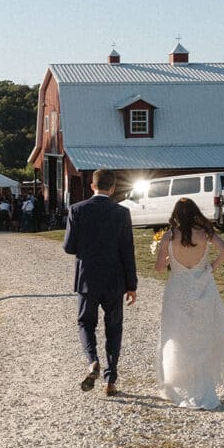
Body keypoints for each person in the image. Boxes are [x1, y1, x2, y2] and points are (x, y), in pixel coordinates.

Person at [153, 197, 224, 410]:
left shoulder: (170, 236)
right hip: (203, 286)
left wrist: (170, 259)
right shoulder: (205, 233)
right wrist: (212, 266)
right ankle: (202, 384)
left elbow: (160, 268)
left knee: (175, 335)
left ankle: (177, 382)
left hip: (177, 289)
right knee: (201, 336)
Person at [63, 169, 138, 396]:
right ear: (113, 188)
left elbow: (68, 247)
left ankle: (92, 361)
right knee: (114, 329)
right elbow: (128, 250)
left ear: (91, 186)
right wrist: (131, 284)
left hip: (87, 278)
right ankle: (110, 380)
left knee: (86, 323)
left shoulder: (77, 210)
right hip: (114, 279)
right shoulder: (122, 213)